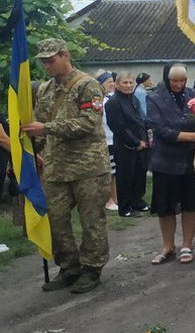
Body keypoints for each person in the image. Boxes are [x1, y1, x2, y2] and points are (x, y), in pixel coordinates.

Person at [22, 38, 110, 294]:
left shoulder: (87, 85)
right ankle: (69, 267)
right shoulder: (45, 89)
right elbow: (39, 126)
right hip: (56, 168)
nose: (47, 66)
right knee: (56, 219)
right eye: (44, 62)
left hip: (88, 167)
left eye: (51, 60)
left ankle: (92, 269)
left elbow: (89, 123)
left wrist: (46, 129)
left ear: (65, 56)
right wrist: (27, 152)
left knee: (91, 220)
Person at [146, 63, 195, 265]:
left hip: (190, 160)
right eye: (174, 81)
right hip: (165, 161)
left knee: (191, 203)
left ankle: (187, 245)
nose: (179, 85)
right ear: (167, 79)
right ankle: (168, 246)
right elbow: (160, 130)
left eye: (182, 81)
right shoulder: (155, 98)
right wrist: (192, 136)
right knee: (165, 207)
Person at [105, 72, 150, 217]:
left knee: (139, 175)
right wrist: (135, 142)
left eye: (130, 82)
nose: (128, 85)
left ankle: (137, 201)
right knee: (125, 177)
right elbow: (119, 127)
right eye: (125, 82)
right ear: (117, 84)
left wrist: (144, 139)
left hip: (141, 144)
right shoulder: (113, 103)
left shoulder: (134, 99)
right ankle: (125, 207)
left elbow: (140, 121)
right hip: (124, 146)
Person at [96, 71, 119, 212]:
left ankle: (115, 198)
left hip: (113, 140)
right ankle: (109, 199)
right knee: (109, 172)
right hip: (104, 141)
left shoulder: (110, 99)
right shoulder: (98, 101)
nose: (112, 84)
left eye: (112, 81)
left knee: (114, 172)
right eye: (109, 81)